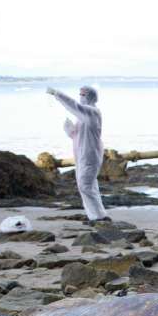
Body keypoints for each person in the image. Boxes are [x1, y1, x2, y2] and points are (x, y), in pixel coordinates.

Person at [46, 85, 111, 223]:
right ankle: (96, 215)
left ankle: (98, 216)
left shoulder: (92, 112)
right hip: (81, 155)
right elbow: (79, 136)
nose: (81, 97)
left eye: (83, 94)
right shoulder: (82, 117)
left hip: (90, 154)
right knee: (89, 185)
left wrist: (57, 94)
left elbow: (73, 105)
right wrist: (70, 130)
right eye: (80, 94)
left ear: (91, 96)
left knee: (85, 185)